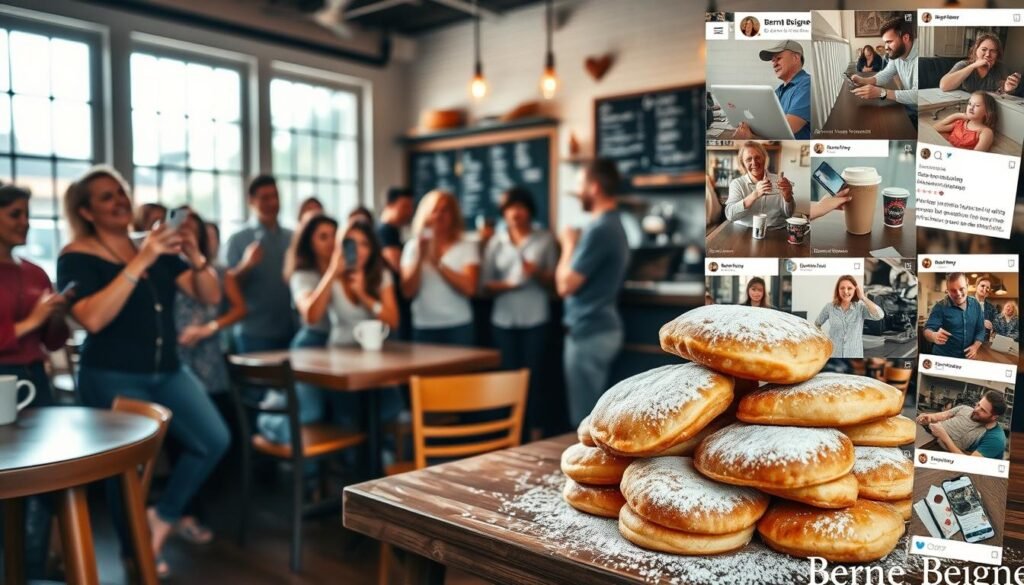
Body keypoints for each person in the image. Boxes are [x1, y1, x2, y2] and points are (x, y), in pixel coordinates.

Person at [56, 166, 229, 577]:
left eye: (121, 192)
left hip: (168, 370)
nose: (118, 200)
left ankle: (161, 518)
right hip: (111, 374)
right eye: (105, 196)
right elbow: (92, 320)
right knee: (125, 471)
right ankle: (135, 552)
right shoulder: (77, 255)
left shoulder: (155, 248)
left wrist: (195, 255)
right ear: (87, 211)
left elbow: (210, 295)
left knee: (213, 439)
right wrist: (142, 259)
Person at [261, 219, 399, 442]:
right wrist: (334, 272)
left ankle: (367, 462)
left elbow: (392, 319)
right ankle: (272, 415)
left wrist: (362, 292)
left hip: (355, 355)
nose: (329, 243)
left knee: (386, 406)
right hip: (314, 348)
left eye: (332, 237)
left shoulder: (370, 273)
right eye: (322, 237)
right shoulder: (315, 275)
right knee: (313, 413)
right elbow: (311, 316)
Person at [0, 185, 70, 579]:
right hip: (2, 383)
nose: (25, 222)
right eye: (15, 214)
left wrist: (58, 315)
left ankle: (32, 568)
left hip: (35, 380)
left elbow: (53, 340)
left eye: (27, 214)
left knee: (44, 479)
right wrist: (33, 319)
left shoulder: (35, 272)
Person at [556, 159, 630, 425]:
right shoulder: (612, 225)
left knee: (584, 421)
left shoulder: (600, 229)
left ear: (594, 187)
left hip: (590, 332)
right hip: (600, 329)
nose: (577, 192)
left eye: (579, 185)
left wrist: (567, 245)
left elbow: (565, 285)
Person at [482, 188, 558, 440]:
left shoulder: (544, 239)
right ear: (504, 212)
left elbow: (556, 283)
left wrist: (536, 273)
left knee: (535, 379)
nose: (515, 213)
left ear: (529, 210)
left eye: (520, 207)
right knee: (508, 379)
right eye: (510, 208)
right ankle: (510, 435)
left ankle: (535, 435)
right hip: (503, 320)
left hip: (535, 318)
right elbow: (485, 284)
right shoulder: (496, 241)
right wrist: (507, 285)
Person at [224, 175, 295, 353]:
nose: (272, 203)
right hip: (254, 331)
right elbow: (227, 286)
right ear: (251, 201)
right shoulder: (238, 239)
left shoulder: (292, 237)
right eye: (265, 198)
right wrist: (246, 265)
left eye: (275, 196)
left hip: (289, 329)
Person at [400, 190, 479, 345]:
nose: (439, 215)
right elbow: (408, 291)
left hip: (458, 325)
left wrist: (437, 263)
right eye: (435, 210)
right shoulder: (412, 247)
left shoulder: (466, 246)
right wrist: (420, 257)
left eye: (445, 210)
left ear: (454, 215)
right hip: (424, 325)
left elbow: (470, 288)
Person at [733, 40, 811, 140]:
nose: (774, 64)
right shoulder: (779, 90)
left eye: (778, 58)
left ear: (795, 58)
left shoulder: (807, 85)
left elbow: (786, 129)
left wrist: (751, 137)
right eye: (773, 61)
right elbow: (764, 119)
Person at [850, 17, 918, 124]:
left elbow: (917, 96)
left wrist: (882, 93)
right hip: (905, 106)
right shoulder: (897, 55)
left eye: (889, 42)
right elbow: (886, 73)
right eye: (885, 42)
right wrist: (863, 80)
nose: (886, 47)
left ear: (905, 38)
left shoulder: (920, 59)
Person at [724, 141, 796, 229]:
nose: (754, 162)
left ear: (764, 158)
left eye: (757, 157)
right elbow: (730, 215)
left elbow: (788, 214)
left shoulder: (779, 181)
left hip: (775, 230)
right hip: (744, 231)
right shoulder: (736, 184)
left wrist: (788, 198)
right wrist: (755, 194)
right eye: (748, 159)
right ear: (743, 163)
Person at [917, 391, 1007, 458]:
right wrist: (928, 417)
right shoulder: (965, 409)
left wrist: (943, 436)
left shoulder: (996, 439)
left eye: (983, 410)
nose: (976, 409)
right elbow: (940, 416)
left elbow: (968, 465)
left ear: (994, 417)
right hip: (933, 442)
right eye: (978, 405)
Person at [814, 275, 884, 358]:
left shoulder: (860, 308)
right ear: (838, 290)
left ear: (855, 290)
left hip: (854, 355)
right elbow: (816, 324)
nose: (846, 291)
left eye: (849, 288)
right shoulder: (829, 307)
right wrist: (823, 341)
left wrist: (863, 297)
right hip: (834, 355)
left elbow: (879, 315)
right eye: (842, 288)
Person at [923, 272, 987, 359]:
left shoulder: (976, 305)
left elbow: (981, 330)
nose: (958, 294)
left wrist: (975, 347)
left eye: (962, 289)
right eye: (953, 290)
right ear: (947, 291)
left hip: (966, 359)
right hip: (943, 358)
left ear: (967, 285)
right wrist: (933, 336)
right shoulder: (940, 307)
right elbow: (927, 330)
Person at [939, 33, 1022, 96]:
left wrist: (1008, 90)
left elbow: (1003, 95)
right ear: (976, 50)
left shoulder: (1001, 68)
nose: (988, 54)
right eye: (984, 49)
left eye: (993, 51)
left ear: (997, 54)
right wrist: (973, 65)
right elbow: (944, 86)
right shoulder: (963, 65)